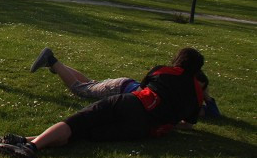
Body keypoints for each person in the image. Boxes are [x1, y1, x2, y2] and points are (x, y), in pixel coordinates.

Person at [0, 48, 209, 158]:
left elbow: (143, 88)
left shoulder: (165, 71)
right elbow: (189, 124)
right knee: (85, 130)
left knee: (80, 115)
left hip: (129, 101)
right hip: (142, 128)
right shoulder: (197, 94)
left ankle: (30, 146)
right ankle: (25, 141)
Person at [29, 47, 220, 118]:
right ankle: (52, 60)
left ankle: (56, 66)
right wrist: (206, 95)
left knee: (89, 83)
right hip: (121, 91)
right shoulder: (188, 90)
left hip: (125, 85)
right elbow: (211, 113)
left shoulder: (167, 74)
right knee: (82, 90)